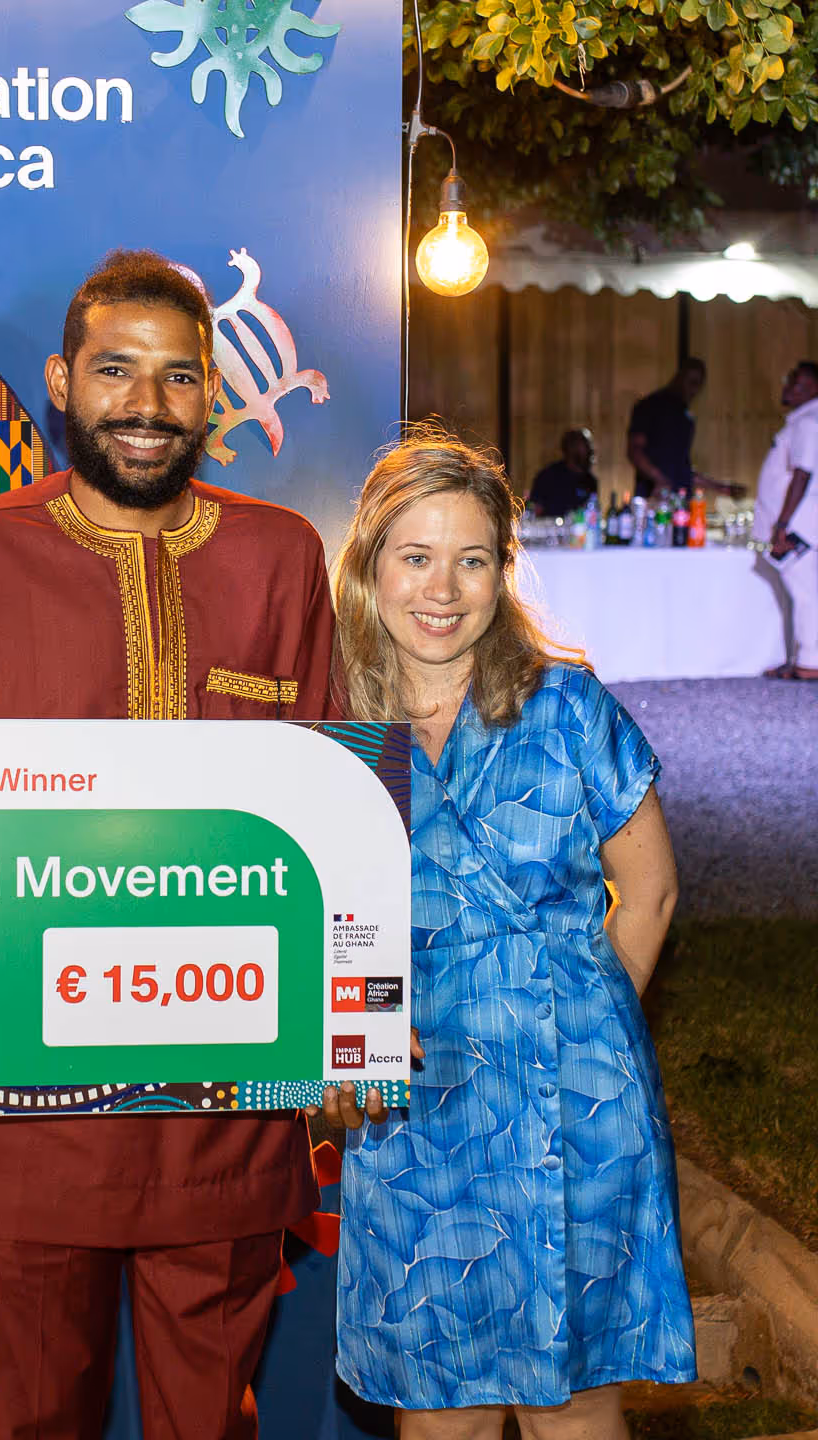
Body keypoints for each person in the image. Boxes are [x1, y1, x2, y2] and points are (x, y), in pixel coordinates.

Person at [0, 250, 344, 1440]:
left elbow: (333, 823)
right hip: (21, 1110)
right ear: (61, 383)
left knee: (212, 1423)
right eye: (115, 371)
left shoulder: (281, 555)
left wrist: (343, 1036)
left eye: (179, 376)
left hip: (227, 1108)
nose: (147, 404)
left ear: (212, 397)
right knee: (31, 1417)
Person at [331, 429, 696, 1438]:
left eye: (473, 558)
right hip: (412, 1110)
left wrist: (574, 1022)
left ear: (503, 569)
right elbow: (308, 932)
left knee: (574, 1408)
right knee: (442, 1415)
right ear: (370, 565)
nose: (443, 588)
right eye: (416, 557)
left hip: (574, 1112)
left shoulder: (570, 707)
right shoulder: (337, 735)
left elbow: (652, 894)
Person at [753, 360, 818, 681]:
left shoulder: (809, 423)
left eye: (799, 384)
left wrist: (782, 524)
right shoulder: (801, 421)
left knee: (805, 591)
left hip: (799, 525)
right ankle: (800, 658)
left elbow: (803, 474)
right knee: (798, 591)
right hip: (797, 522)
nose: (789, 388)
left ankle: (809, 661)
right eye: (790, 380)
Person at [627, 358, 707, 501]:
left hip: (680, 503)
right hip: (653, 499)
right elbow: (635, 450)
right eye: (692, 382)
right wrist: (659, 479)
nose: (695, 389)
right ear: (679, 378)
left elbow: (683, 468)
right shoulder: (650, 406)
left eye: (699, 384)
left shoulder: (686, 417)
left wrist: (722, 488)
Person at [526, 427, 598, 519]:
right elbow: (534, 510)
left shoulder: (591, 481)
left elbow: (593, 513)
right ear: (570, 448)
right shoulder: (548, 476)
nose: (590, 451)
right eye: (585, 446)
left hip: (581, 532)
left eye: (589, 447)